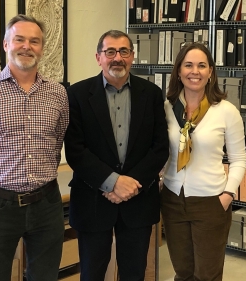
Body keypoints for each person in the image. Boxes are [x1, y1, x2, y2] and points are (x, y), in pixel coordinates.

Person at [0, 14, 69, 281]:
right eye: (19, 39)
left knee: (45, 277)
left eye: (34, 41)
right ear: (6, 44)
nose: (27, 46)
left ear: (42, 48)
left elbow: (57, 141)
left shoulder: (58, 93)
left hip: (46, 203)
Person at [64, 30, 169, 281]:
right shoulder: (77, 94)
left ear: (132, 56)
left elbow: (160, 147)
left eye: (123, 51)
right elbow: (75, 151)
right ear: (98, 57)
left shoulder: (152, 94)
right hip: (93, 199)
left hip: (138, 199)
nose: (117, 58)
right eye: (110, 52)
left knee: (134, 274)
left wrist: (129, 184)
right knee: (92, 273)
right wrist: (113, 182)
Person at [161, 42, 246, 281]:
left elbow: (239, 158)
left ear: (211, 72)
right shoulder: (168, 107)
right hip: (173, 199)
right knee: (183, 272)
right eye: (188, 65)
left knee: (206, 275)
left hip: (211, 201)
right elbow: (161, 150)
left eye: (201, 65)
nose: (194, 71)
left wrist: (228, 194)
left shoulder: (226, 111)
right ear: (179, 71)